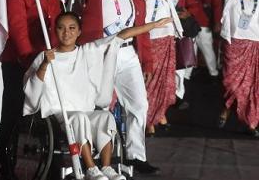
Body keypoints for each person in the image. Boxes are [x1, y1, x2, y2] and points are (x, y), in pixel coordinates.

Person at [24, 12, 171, 180]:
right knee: (80, 118)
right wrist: (44, 64)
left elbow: (119, 36)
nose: (67, 33)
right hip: (60, 114)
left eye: (72, 28)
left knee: (105, 117)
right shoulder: (46, 56)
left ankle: (107, 167)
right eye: (61, 28)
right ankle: (91, 168)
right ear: (55, 31)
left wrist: (152, 25)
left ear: (79, 32)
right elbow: (32, 89)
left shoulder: (87, 51)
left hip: (84, 111)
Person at [0, 0, 82, 179]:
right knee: (14, 108)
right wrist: (30, 63)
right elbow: (19, 30)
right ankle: (5, 158)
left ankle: (55, 159)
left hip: (48, 56)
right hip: (20, 59)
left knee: (52, 106)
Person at [75, 0, 158, 174]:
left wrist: (146, 60)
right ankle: (98, 155)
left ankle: (135, 156)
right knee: (99, 106)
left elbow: (142, 34)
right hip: (100, 55)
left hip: (127, 56)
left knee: (139, 106)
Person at [201, 0, 259, 137]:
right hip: (233, 45)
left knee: (251, 88)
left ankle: (250, 123)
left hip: (253, 47)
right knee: (231, 84)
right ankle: (226, 107)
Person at [132, 0, 185, 136]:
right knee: (148, 83)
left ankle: (159, 114)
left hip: (166, 44)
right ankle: (149, 121)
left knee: (165, 84)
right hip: (146, 44)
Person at [190, 0, 223, 76]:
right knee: (190, 50)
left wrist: (217, 22)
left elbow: (217, 5)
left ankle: (213, 73)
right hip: (190, 24)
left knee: (208, 50)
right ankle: (187, 76)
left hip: (204, 24)